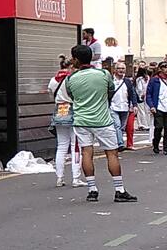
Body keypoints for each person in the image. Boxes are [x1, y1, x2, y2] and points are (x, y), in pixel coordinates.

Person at [62, 44, 134, 203]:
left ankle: (92, 189)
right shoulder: (103, 74)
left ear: (75, 60)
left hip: (81, 121)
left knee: (86, 153)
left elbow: (72, 96)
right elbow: (110, 91)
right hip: (103, 120)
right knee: (112, 153)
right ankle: (119, 189)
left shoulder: (71, 79)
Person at [48, 58, 79, 188]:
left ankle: (59, 177)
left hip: (59, 111)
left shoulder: (53, 80)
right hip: (73, 110)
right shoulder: (72, 79)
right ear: (71, 66)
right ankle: (76, 178)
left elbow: (51, 95)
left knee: (61, 146)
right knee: (75, 146)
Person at [145, 61, 167, 155]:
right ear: (160, 68)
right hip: (158, 106)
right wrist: (152, 106)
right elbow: (149, 94)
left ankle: (166, 147)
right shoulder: (154, 80)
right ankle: (155, 144)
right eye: (164, 67)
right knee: (158, 127)